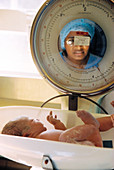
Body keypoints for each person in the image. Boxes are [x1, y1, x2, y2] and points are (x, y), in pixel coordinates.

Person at [1, 110, 114, 147]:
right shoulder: (38, 141)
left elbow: (63, 130)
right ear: (27, 134)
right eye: (34, 121)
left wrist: (57, 123)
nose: (38, 119)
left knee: (67, 134)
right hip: (85, 147)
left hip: (85, 140)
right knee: (65, 136)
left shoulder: (48, 133)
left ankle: (104, 122)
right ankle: (92, 125)